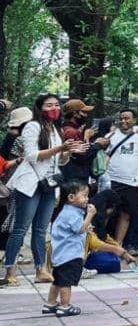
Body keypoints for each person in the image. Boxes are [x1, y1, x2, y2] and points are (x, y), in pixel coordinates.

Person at [3, 94, 80, 286]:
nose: (54, 108)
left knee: (41, 230)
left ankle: (41, 269)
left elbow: (58, 161)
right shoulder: (33, 126)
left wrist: (68, 151)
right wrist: (60, 148)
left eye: (56, 105)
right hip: (30, 184)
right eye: (49, 105)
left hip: (49, 184)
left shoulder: (55, 129)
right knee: (20, 229)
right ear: (39, 108)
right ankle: (10, 271)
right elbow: (31, 156)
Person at [42, 179, 96, 317]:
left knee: (58, 281)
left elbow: (74, 229)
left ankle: (50, 303)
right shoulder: (72, 213)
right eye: (84, 195)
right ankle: (65, 306)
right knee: (66, 282)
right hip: (70, 254)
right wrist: (90, 215)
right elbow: (79, 229)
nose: (87, 199)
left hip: (60, 254)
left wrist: (86, 226)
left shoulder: (66, 211)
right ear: (71, 198)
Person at [105, 108, 138, 248]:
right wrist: (102, 174)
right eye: (121, 118)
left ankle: (119, 244)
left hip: (131, 182)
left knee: (126, 214)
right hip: (112, 180)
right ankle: (99, 242)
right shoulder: (111, 136)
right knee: (107, 212)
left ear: (134, 120)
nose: (124, 121)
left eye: (127, 118)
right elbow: (105, 155)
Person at [0, 107, 28, 254]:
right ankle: (10, 249)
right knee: (13, 216)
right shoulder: (20, 139)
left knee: (5, 214)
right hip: (14, 181)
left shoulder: (9, 136)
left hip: (5, 180)